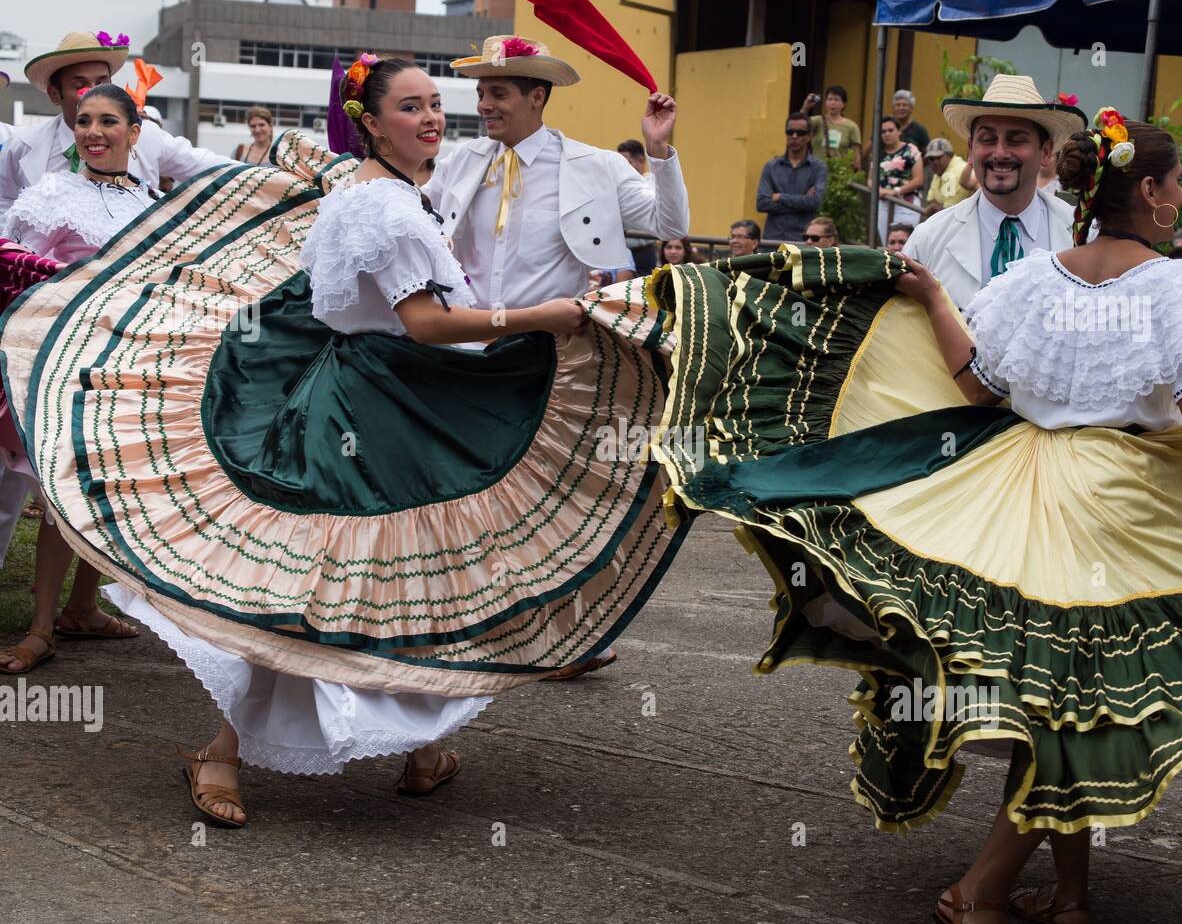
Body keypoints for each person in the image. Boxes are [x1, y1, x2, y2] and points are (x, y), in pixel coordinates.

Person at [650, 107, 1182, 924]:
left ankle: (1068, 893)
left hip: (1014, 485)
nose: (1180, 194)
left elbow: (980, 388)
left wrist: (928, 297)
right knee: (1078, 704)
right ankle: (976, 893)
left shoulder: (1037, 279)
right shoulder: (1181, 286)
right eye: (1176, 181)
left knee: (1064, 692)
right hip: (1113, 503)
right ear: (1150, 191)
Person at [0, 54, 688, 827]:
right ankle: (222, 750)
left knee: (398, 582)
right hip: (370, 403)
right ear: (370, 121)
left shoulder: (395, 189)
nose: (434, 117)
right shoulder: (385, 204)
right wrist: (540, 318)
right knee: (319, 591)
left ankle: (419, 751)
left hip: (399, 394)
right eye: (411, 107)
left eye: (437, 104)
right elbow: (423, 321)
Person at [0, 83, 151, 672]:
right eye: (84, 120)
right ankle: (41, 627)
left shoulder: (152, 200)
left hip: (129, 363)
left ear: (133, 133)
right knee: (65, 496)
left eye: (108, 121)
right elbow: (17, 274)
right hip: (65, 361)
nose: (93, 132)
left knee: (107, 492)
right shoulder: (53, 196)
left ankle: (82, 608)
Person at [427, 35, 689, 315]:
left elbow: (670, 225)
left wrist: (658, 149)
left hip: (549, 347)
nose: (483, 105)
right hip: (464, 341)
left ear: (537, 97)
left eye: (498, 94)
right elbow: (417, 216)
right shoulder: (461, 161)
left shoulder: (596, 166)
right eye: (481, 94)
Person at [0, 31, 231, 219]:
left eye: (102, 83)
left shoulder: (146, 135)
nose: (94, 94)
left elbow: (210, 168)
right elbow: (4, 203)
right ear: (54, 94)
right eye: (80, 85)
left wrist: (265, 176)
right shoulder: (22, 146)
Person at [903, 74, 1084, 314]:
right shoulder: (929, 238)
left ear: (1046, 152)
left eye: (1016, 140)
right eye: (987, 139)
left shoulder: (1080, 232)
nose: (999, 153)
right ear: (970, 150)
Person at [755, 113, 826, 245]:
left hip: (803, 239)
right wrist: (802, 200)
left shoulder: (818, 167)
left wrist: (780, 197)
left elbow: (815, 202)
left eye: (800, 133)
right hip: (772, 239)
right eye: (790, 132)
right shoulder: (771, 166)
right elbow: (761, 203)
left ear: (809, 136)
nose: (794, 136)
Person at [872, 118, 923, 243]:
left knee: (906, 241)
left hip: (906, 202)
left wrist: (896, 191)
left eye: (890, 130)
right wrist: (879, 190)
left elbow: (918, 180)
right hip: (883, 202)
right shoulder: (878, 153)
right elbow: (870, 179)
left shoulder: (911, 150)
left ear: (899, 131)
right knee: (888, 242)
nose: (887, 134)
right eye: (883, 131)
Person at [616, 137, 661, 276]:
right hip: (620, 249)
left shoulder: (652, 183)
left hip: (644, 251)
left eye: (627, 162)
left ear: (641, 161)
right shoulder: (618, 186)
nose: (622, 167)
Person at [801, 85, 863, 172]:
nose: (832, 103)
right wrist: (805, 107)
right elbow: (799, 125)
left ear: (843, 104)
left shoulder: (852, 127)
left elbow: (856, 157)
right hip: (816, 173)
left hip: (839, 175)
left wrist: (856, 176)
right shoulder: (817, 121)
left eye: (836, 99)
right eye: (829, 99)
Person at [921, 137, 973, 217]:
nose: (935, 162)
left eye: (938, 157)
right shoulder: (941, 170)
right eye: (931, 159)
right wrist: (936, 207)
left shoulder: (956, 172)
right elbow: (931, 201)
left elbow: (950, 212)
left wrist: (935, 207)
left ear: (950, 155)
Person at [892, 89, 929, 153]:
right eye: (898, 105)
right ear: (893, 108)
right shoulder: (886, 127)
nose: (901, 108)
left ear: (911, 108)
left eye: (905, 105)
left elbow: (927, 152)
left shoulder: (919, 130)